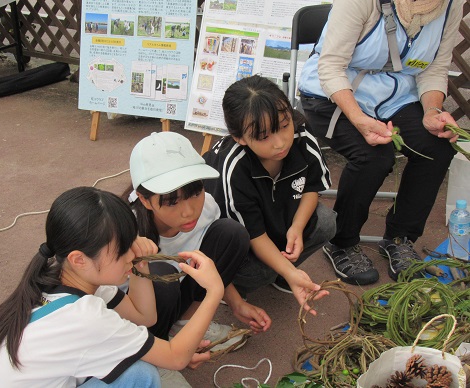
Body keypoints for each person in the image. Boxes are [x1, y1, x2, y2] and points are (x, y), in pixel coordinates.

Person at [0, 186, 224, 387]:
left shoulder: (59, 278)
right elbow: (176, 357)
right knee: (141, 376)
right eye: (122, 249)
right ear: (79, 259)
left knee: (135, 366)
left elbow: (144, 317)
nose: (130, 254)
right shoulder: (85, 317)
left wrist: (139, 265)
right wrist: (214, 292)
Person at [298, 0, 463, 285]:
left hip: (395, 96)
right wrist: (359, 119)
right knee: (374, 155)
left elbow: (434, 68)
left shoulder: (451, 4)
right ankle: (342, 241)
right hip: (332, 94)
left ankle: (400, 238)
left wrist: (433, 111)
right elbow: (331, 67)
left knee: (437, 146)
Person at [123, 132, 272, 387]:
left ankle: (185, 324)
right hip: (137, 321)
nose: (189, 210)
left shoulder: (207, 207)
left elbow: (210, 265)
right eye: (171, 202)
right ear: (145, 199)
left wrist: (236, 304)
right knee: (157, 274)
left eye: (195, 192)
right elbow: (112, 310)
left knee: (231, 233)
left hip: (178, 296)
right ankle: (154, 359)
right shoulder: (127, 232)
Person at [203, 75, 334, 308]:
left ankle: (285, 274)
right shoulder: (235, 167)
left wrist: (297, 227)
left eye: (284, 125)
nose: (280, 142)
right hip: (235, 233)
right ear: (239, 137)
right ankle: (232, 288)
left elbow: (312, 186)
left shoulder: (302, 137)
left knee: (325, 221)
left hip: (274, 212)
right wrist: (287, 269)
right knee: (256, 273)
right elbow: (251, 232)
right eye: (263, 136)